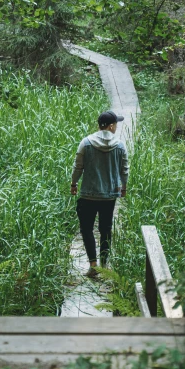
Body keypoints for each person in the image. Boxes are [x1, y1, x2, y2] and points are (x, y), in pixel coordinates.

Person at [70, 110, 129, 277]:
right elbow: (124, 170)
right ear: (110, 126)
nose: (116, 127)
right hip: (109, 196)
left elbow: (78, 167)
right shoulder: (120, 145)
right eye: (116, 124)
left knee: (87, 229)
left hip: (88, 194)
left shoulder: (86, 143)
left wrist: (74, 183)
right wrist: (123, 187)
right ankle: (104, 265)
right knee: (106, 229)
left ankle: (93, 265)